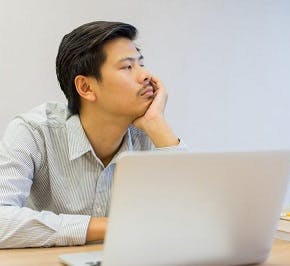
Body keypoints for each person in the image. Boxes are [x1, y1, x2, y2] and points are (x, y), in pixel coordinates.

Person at [0, 21, 184, 248]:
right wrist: (114, 226)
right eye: (128, 67)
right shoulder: (34, 132)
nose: (146, 75)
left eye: (142, 64)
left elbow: (197, 218)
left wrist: (159, 126)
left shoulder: (148, 132)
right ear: (86, 88)